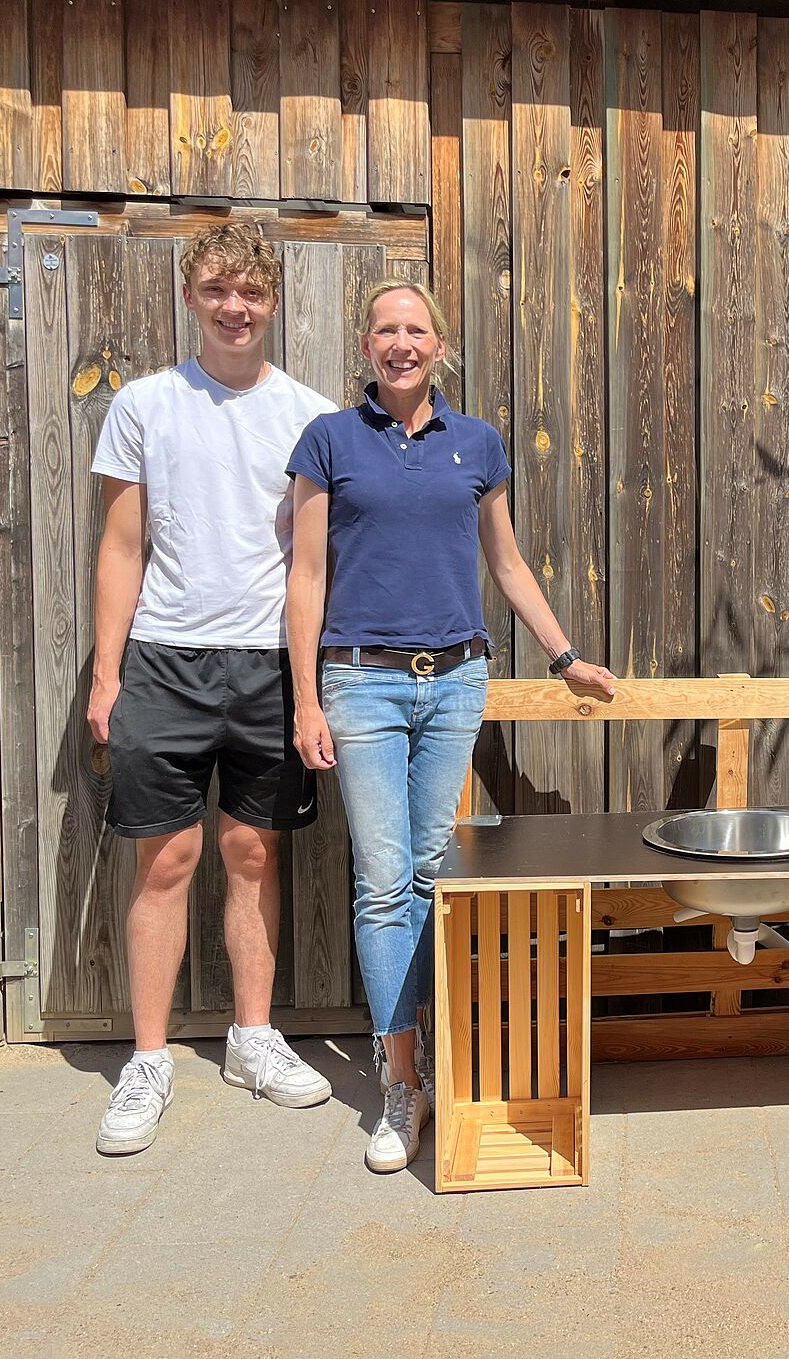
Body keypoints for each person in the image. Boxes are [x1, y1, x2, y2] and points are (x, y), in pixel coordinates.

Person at [285, 281, 618, 1174]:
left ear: (439, 344)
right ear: (367, 345)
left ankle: (436, 1055)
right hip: (360, 685)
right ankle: (402, 1083)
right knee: (383, 880)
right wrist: (306, 699)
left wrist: (563, 656)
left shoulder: (476, 443)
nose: (402, 344)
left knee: (434, 875)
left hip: (456, 682)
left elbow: (505, 563)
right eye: (387, 330)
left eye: (417, 330)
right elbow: (306, 578)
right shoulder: (328, 441)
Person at [88, 223, 338, 1156]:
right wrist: (108, 673)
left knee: (254, 855)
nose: (236, 307)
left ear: (274, 300)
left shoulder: (310, 417)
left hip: (271, 666)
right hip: (164, 658)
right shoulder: (146, 404)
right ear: (191, 295)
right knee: (164, 863)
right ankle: (148, 1058)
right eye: (217, 289)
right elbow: (121, 545)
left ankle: (253, 1037)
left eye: (252, 291)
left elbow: (318, 562)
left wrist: (313, 684)